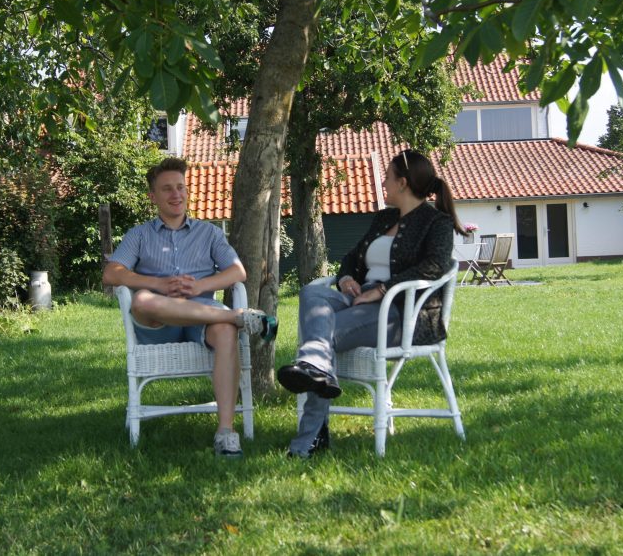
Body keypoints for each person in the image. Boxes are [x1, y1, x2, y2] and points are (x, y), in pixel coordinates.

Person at [277, 149, 467, 458]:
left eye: (388, 177)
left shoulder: (436, 223)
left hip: (398, 312)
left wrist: (380, 290)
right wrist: (346, 279)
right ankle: (317, 375)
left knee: (317, 341)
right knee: (311, 294)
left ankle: (309, 438)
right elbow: (353, 256)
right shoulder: (384, 218)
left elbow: (434, 267)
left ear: (403, 183)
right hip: (359, 298)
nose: (383, 183)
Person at [103, 157, 278, 458]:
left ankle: (226, 432)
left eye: (181, 187)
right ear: (153, 196)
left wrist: (200, 286)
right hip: (158, 322)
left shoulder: (208, 233)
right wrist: (156, 284)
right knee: (142, 299)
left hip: (200, 317)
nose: (176, 195)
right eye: (167, 189)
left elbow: (237, 272)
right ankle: (239, 318)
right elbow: (111, 274)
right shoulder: (139, 235)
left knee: (223, 331)